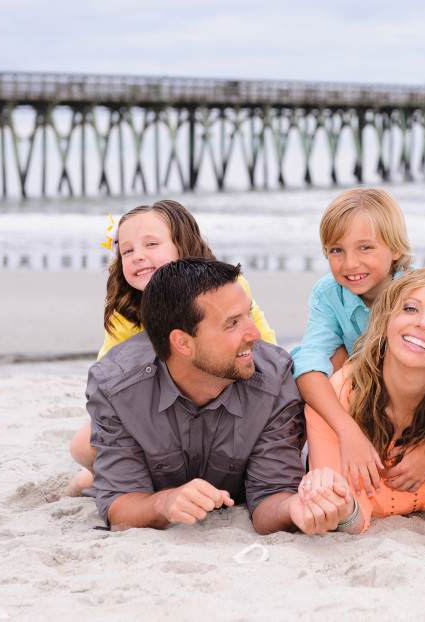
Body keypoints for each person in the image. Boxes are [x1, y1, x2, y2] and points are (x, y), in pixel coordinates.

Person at [88, 258, 350, 534]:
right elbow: (119, 505)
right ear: (183, 342)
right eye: (232, 324)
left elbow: (269, 497)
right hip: (142, 479)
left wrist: (292, 508)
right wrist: (165, 503)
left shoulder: (276, 379)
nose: (255, 333)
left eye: (248, 314)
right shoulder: (116, 387)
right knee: (86, 453)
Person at [290, 188, 425, 502]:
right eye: (336, 250)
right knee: (335, 360)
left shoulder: (424, 294)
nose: (349, 263)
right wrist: (348, 433)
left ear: (395, 250)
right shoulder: (330, 294)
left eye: (365, 247)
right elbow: (307, 365)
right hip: (373, 408)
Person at [67, 200, 276, 495]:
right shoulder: (126, 311)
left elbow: (265, 346)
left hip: (225, 404)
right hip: (157, 414)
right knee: (83, 447)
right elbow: (107, 385)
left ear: (184, 245)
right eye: (127, 251)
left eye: (151, 244)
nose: (138, 256)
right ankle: (128, 478)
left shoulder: (228, 287)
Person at [304, 269, 425, 544]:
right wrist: (341, 508)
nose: (423, 323)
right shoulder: (337, 397)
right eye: (410, 309)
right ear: (386, 323)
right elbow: (356, 515)